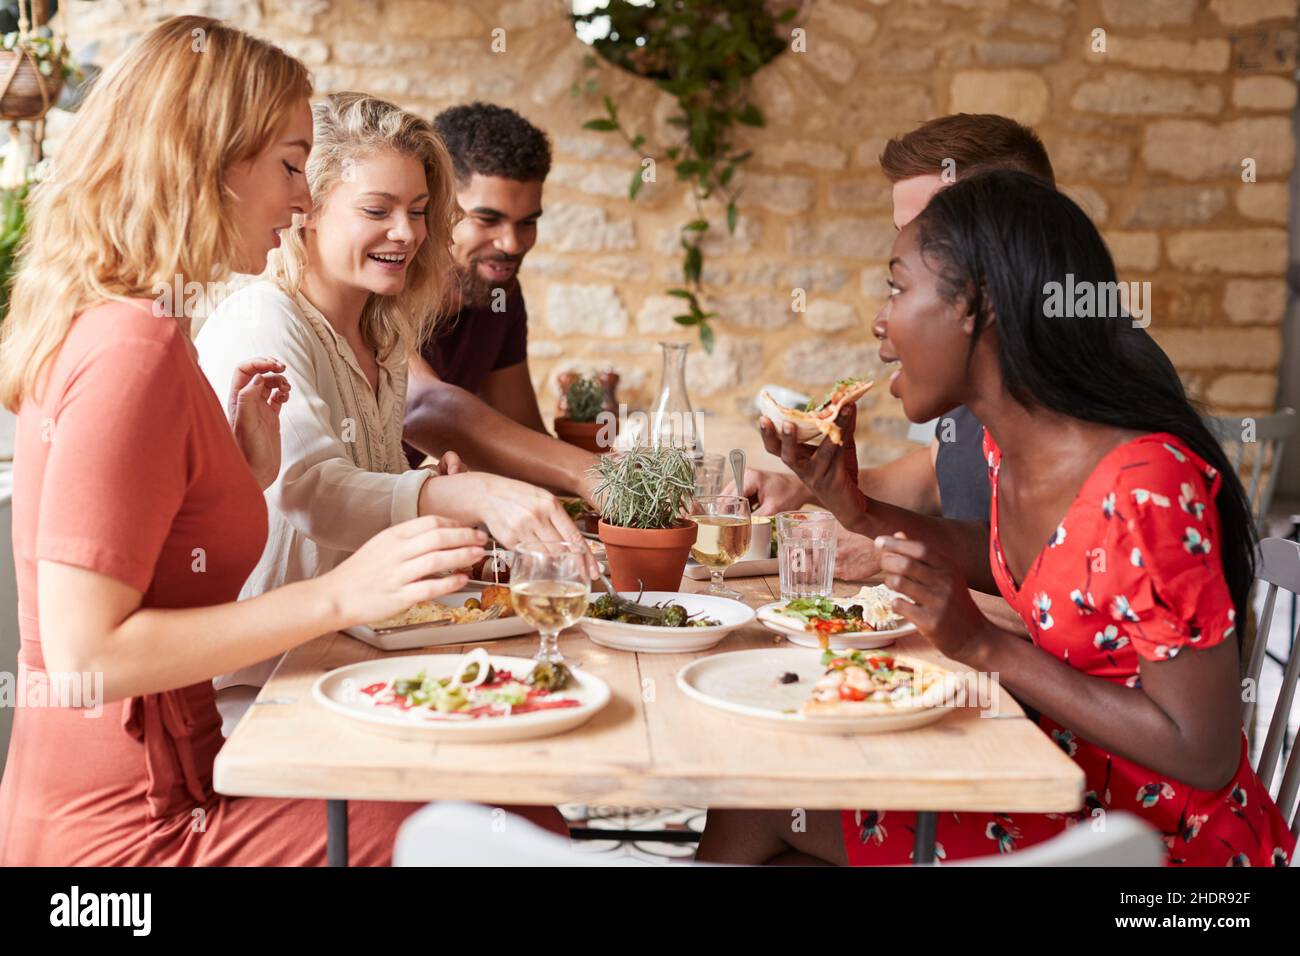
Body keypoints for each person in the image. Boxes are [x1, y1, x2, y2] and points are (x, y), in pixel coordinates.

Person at [0, 17, 520, 866]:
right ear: (208, 161)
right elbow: (84, 652)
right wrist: (343, 596)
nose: (301, 200)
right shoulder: (131, 348)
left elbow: (157, 558)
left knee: (494, 807)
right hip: (124, 834)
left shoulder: (145, 331)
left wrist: (240, 472)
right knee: (475, 833)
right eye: (288, 165)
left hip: (192, 776)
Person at [696, 171, 1295, 867]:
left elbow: (1205, 752)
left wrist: (983, 645)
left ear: (976, 306)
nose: (880, 323)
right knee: (767, 793)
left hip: (1153, 846)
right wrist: (853, 507)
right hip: (1058, 793)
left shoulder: (1147, 487)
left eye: (897, 287)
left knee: (759, 801)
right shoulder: (1008, 445)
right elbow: (1022, 564)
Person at [196, 93, 589, 726]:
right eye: (378, 210)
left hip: (358, 658)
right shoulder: (263, 316)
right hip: (268, 682)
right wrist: (461, 498)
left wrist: (432, 496)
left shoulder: (382, 330)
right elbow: (312, 492)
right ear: (309, 211)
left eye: (420, 211)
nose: (406, 233)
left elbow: (366, 501)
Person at [733, 114, 1180, 598]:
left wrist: (895, 562)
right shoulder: (991, 368)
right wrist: (812, 491)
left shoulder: (1108, 403)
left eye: (929, 238)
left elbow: (1071, 607)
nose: (883, 319)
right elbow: (941, 481)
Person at [403, 102, 601, 501]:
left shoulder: (500, 296)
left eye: (528, 222)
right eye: (487, 219)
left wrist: (678, 482)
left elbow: (523, 437)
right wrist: (593, 474)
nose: (512, 244)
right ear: (439, 205)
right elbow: (420, 407)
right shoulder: (386, 283)